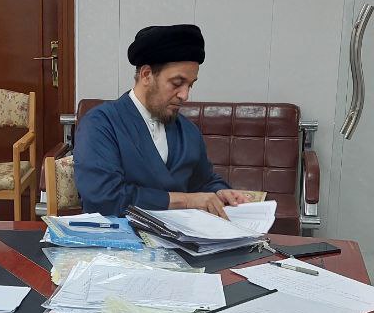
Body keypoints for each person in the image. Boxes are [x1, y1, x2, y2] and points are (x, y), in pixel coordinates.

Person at [73, 24, 250, 218]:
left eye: (190, 85)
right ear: (146, 75)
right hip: (117, 236)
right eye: (177, 83)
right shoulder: (101, 124)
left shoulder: (188, 131)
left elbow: (203, 182)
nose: (185, 95)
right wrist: (186, 201)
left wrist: (220, 192)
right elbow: (103, 199)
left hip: (183, 235)